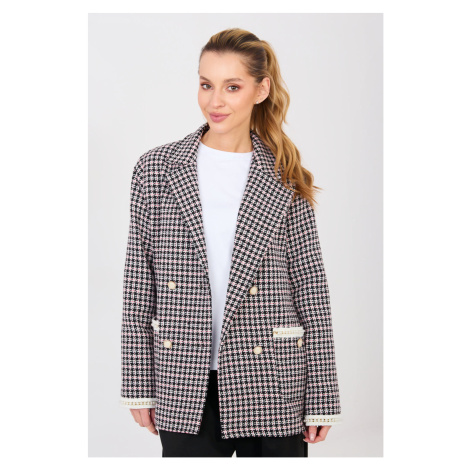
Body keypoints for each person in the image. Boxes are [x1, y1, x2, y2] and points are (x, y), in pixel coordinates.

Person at [120, 27, 342, 458]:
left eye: (232, 86)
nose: (215, 101)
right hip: (184, 377)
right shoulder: (156, 169)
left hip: (273, 377)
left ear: (262, 89)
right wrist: (138, 384)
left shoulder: (285, 177)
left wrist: (322, 395)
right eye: (206, 84)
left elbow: (311, 288)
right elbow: (138, 282)